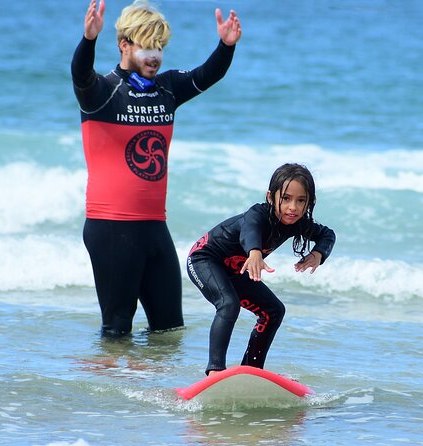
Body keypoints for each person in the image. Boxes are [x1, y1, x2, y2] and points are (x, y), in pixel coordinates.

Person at [71, 0, 242, 336]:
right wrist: (88, 40)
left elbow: (208, 74)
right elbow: (80, 74)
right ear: (125, 45)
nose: (155, 56)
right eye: (147, 46)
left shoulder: (167, 88)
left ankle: (153, 387)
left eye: (160, 47)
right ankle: (108, 387)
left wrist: (226, 46)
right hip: (111, 227)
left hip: (154, 227)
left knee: (168, 329)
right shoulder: (103, 92)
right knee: (117, 328)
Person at [186, 163, 336, 375]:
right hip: (204, 259)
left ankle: (251, 369)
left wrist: (318, 254)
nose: (293, 207)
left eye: (300, 200)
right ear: (270, 196)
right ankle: (215, 370)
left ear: (309, 202)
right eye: (285, 198)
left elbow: (327, 234)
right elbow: (249, 229)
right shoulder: (256, 214)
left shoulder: (298, 223)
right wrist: (254, 251)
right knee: (229, 305)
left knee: (274, 311)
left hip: (234, 269)